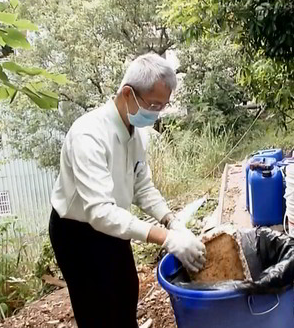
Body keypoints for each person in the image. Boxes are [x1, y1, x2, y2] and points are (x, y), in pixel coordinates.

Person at [49, 53, 206, 328]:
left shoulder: (136, 130)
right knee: (98, 311)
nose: (156, 113)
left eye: (162, 106)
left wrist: (172, 221)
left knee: (125, 294)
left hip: (115, 224)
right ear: (127, 93)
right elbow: (98, 212)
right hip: (78, 233)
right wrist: (166, 239)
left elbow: (142, 186)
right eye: (154, 104)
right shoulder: (89, 135)